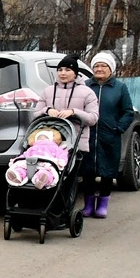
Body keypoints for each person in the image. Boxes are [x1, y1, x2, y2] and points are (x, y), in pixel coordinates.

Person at [34, 54, 99, 193]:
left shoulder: (87, 93)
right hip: (51, 142)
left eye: (68, 70)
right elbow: (36, 113)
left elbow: (93, 118)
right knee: (50, 173)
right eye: (60, 70)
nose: (63, 73)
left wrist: (74, 112)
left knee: (69, 178)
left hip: (76, 143)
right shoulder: (48, 91)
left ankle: (64, 208)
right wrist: (48, 110)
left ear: (75, 73)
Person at [81, 52, 134, 219]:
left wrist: (118, 128)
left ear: (111, 69)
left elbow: (128, 112)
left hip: (109, 136)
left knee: (107, 171)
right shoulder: (86, 86)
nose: (99, 69)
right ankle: (88, 205)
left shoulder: (119, 88)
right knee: (87, 171)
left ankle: (102, 205)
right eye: (96, 66)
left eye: (103, 66)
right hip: (88, 135)